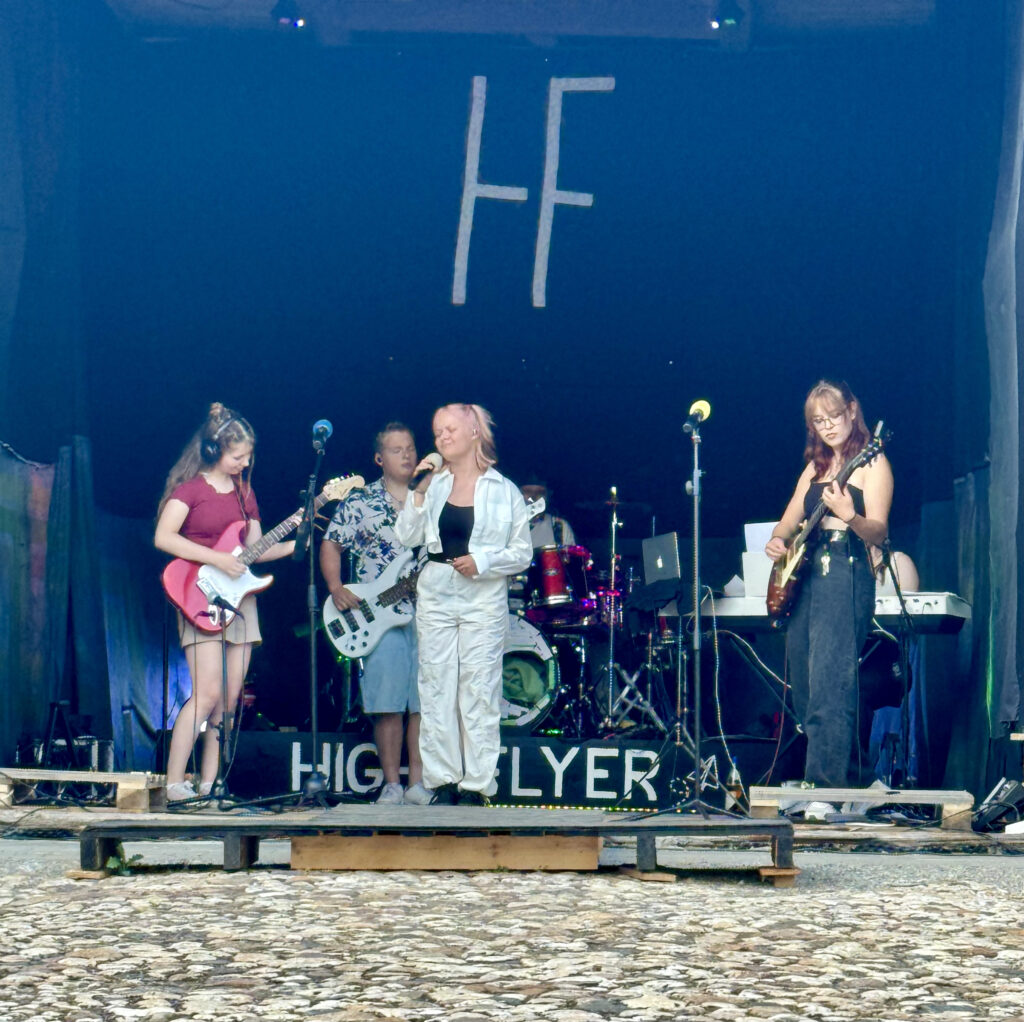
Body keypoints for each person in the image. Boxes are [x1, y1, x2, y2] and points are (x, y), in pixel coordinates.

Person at [765, 380, 893, 817]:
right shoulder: (815, 469)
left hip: (845, 568)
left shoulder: (872, 463)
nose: (828, 426)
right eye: (819, 421)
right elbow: (787, 521)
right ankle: (860, 780)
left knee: (831, 682)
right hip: (806, 574)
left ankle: (826, 786)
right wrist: (778, 541)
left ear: (852, 410)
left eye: (834, 416)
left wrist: (849, 515)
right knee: (804, 684)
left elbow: (879, 531)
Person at [155, 403, 295, 802]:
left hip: (240, 600)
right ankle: (174, 782)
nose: (245, 463)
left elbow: (255, 550)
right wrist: (217, 559)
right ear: (214, 450)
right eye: (238, 456)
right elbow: (164, 537)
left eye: (248, 456)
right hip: (200, 594)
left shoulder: (244, 493)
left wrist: (295, 542)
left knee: (230, 701)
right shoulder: (190, 490)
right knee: (207, 694)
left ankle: (211, 784)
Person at [395, 403, 532, 805]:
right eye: (437, 432)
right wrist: (418, 490)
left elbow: (522, 553)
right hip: (437, 590)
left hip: (482, 596)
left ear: (474, 431)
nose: (442, 437)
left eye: (450, 429)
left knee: (478, 687)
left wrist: (483, 562)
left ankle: (477, 785)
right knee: (436, 686)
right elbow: (406, 537)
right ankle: (442, 781)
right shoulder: (434, 484)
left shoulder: (503, 490)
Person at [319, 422, 428, 806]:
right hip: (379, 616)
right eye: (397, 450)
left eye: (410, 448)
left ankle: (419, 784)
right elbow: (331, 544)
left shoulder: (431, 498)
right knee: (388, 702)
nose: (407, 455)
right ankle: (392, 784)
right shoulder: (360, 501)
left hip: (429, 613)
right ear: (380, 458)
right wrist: (336, 587)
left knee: (424, 704)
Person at [520, 476, 576, 549]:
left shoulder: (559, 527)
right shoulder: (507, 524)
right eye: (528, 491)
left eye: (539, 492)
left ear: (548, 495)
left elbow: (569, 555)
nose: (533, 497)